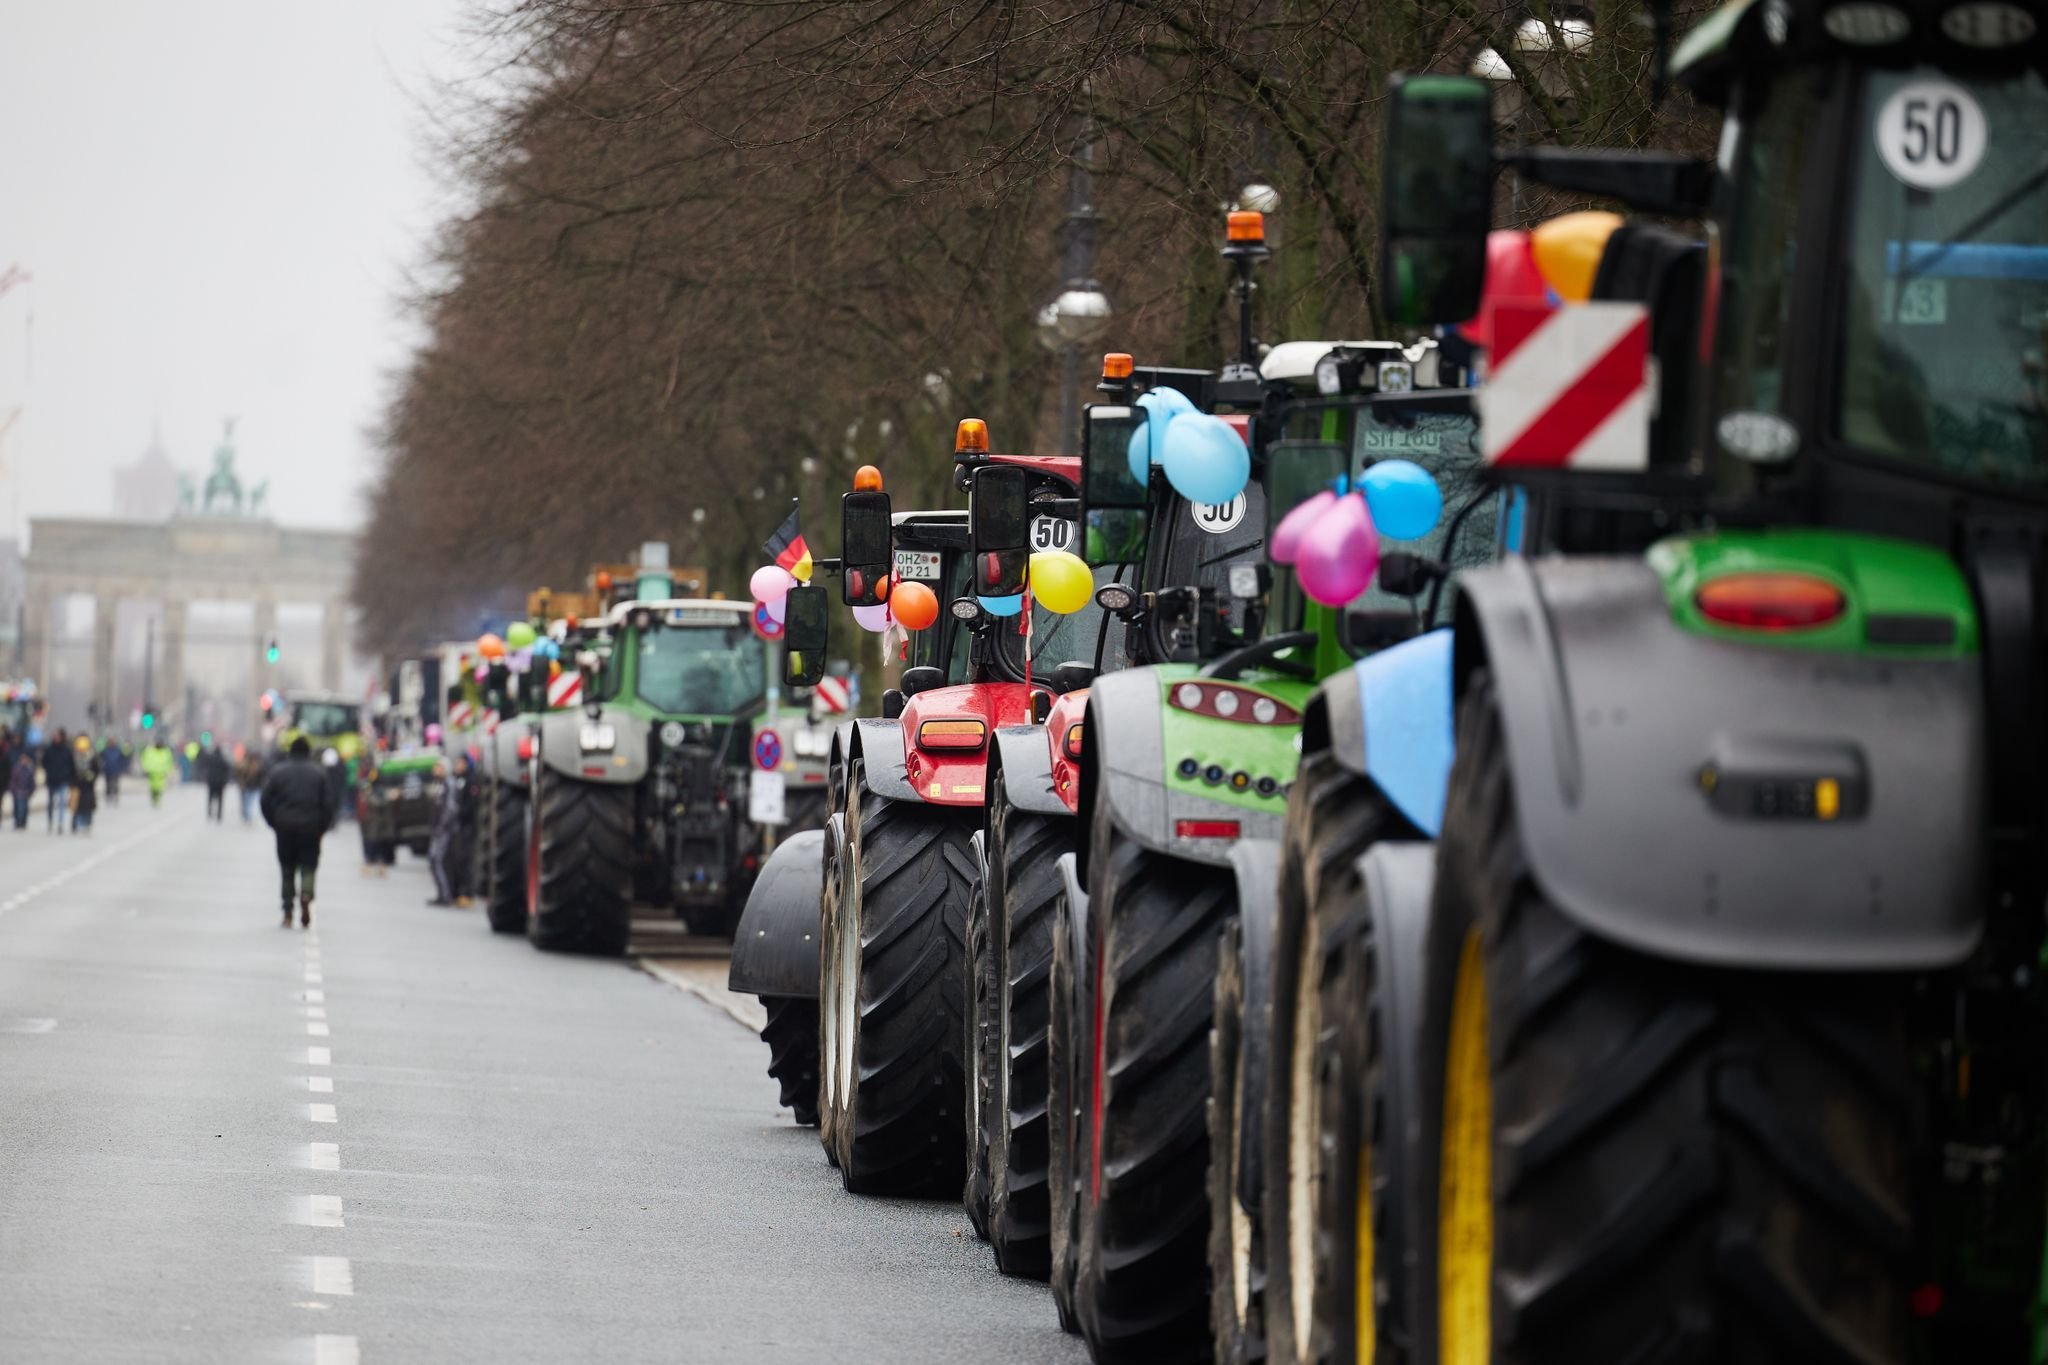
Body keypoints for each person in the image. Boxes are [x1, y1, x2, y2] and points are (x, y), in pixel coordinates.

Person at [260, 737, 337, 929]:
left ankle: (287, 912)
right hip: (311, 828)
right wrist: (322, 827)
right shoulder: (319, 774)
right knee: (308, 866)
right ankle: (306, 894)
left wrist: (274, 821)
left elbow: (265, 799)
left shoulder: (278, 772)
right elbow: (328, 804)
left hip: (285, 827)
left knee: (287, 869)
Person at [426, 760, 460, 906]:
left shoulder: (448, 784)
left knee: (436, 859)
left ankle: (445, 894)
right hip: (437, 828)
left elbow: (450, 807)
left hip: (444, 829)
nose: (435, 770)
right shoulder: (437, 783)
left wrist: (442, 825)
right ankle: (442, 893)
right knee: (434, 860)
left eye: (438, 767)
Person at [41, 727, 76, 834]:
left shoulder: (66, 750)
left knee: (61, 802)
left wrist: (70, 778)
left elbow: (71, 765)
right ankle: (50, 820)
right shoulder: (49, 749)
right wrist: (49, 772)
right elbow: (44, 762)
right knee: (51, 802)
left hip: (63, 779)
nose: (55, 738)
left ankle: (60, 822)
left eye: (57, 736)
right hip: (52, 779)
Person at [71, 740, 98, 835]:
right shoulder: (75, 758)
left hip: (89, 787)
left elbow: (96, 770)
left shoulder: (91, 758)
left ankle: (87, 824)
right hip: (78, 786)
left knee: (88, 807)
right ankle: (79, 824)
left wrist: (91, 777)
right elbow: (71, 771)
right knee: (77, 806)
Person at [200, 742, 232, 822]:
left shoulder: (211, 759)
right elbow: (228, 770)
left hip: (211, 782)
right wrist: (226, 780)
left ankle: (209, 812)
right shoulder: (223, 759)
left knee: (210, 798)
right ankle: (219, 815)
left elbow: (204, 766)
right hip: (220, 783)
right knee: (220, 800)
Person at [234, 746, 265, 824]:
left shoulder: (246, 765)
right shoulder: (249, 765)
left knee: (248, 803)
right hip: (248, 786)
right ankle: (247, 816)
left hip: (250, 787)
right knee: (248, 803)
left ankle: (247, 816)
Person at [140, 739, 175, 808]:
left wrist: (168, 771)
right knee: (153, 786)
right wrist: (145, 769)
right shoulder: (150, 751)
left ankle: (157, 799)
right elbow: (144, 760)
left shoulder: (166, 752)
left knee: (160, 787)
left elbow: (169, 762)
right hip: (152, 772)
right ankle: (154, 797)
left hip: (161, 773)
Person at [8, 749, 33, 830]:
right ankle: (18, 821)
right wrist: (13, 789)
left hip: (26, 791)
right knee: (18, 807)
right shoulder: (17, 768)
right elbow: (13, 780)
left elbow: (31, 781)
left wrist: (31, 790)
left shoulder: (29, 769)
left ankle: (23, 821)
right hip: (18, 790)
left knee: (24, 807)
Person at [101, 739, 124, 806]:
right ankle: (108, 796)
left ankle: (115, 796)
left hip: (115, 770)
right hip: (108, 770)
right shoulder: (105, 751)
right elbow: (101, 758)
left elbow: (121, 760)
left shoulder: (118, 750)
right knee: (108, 784)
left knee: (115, 784)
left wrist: (121, 768)